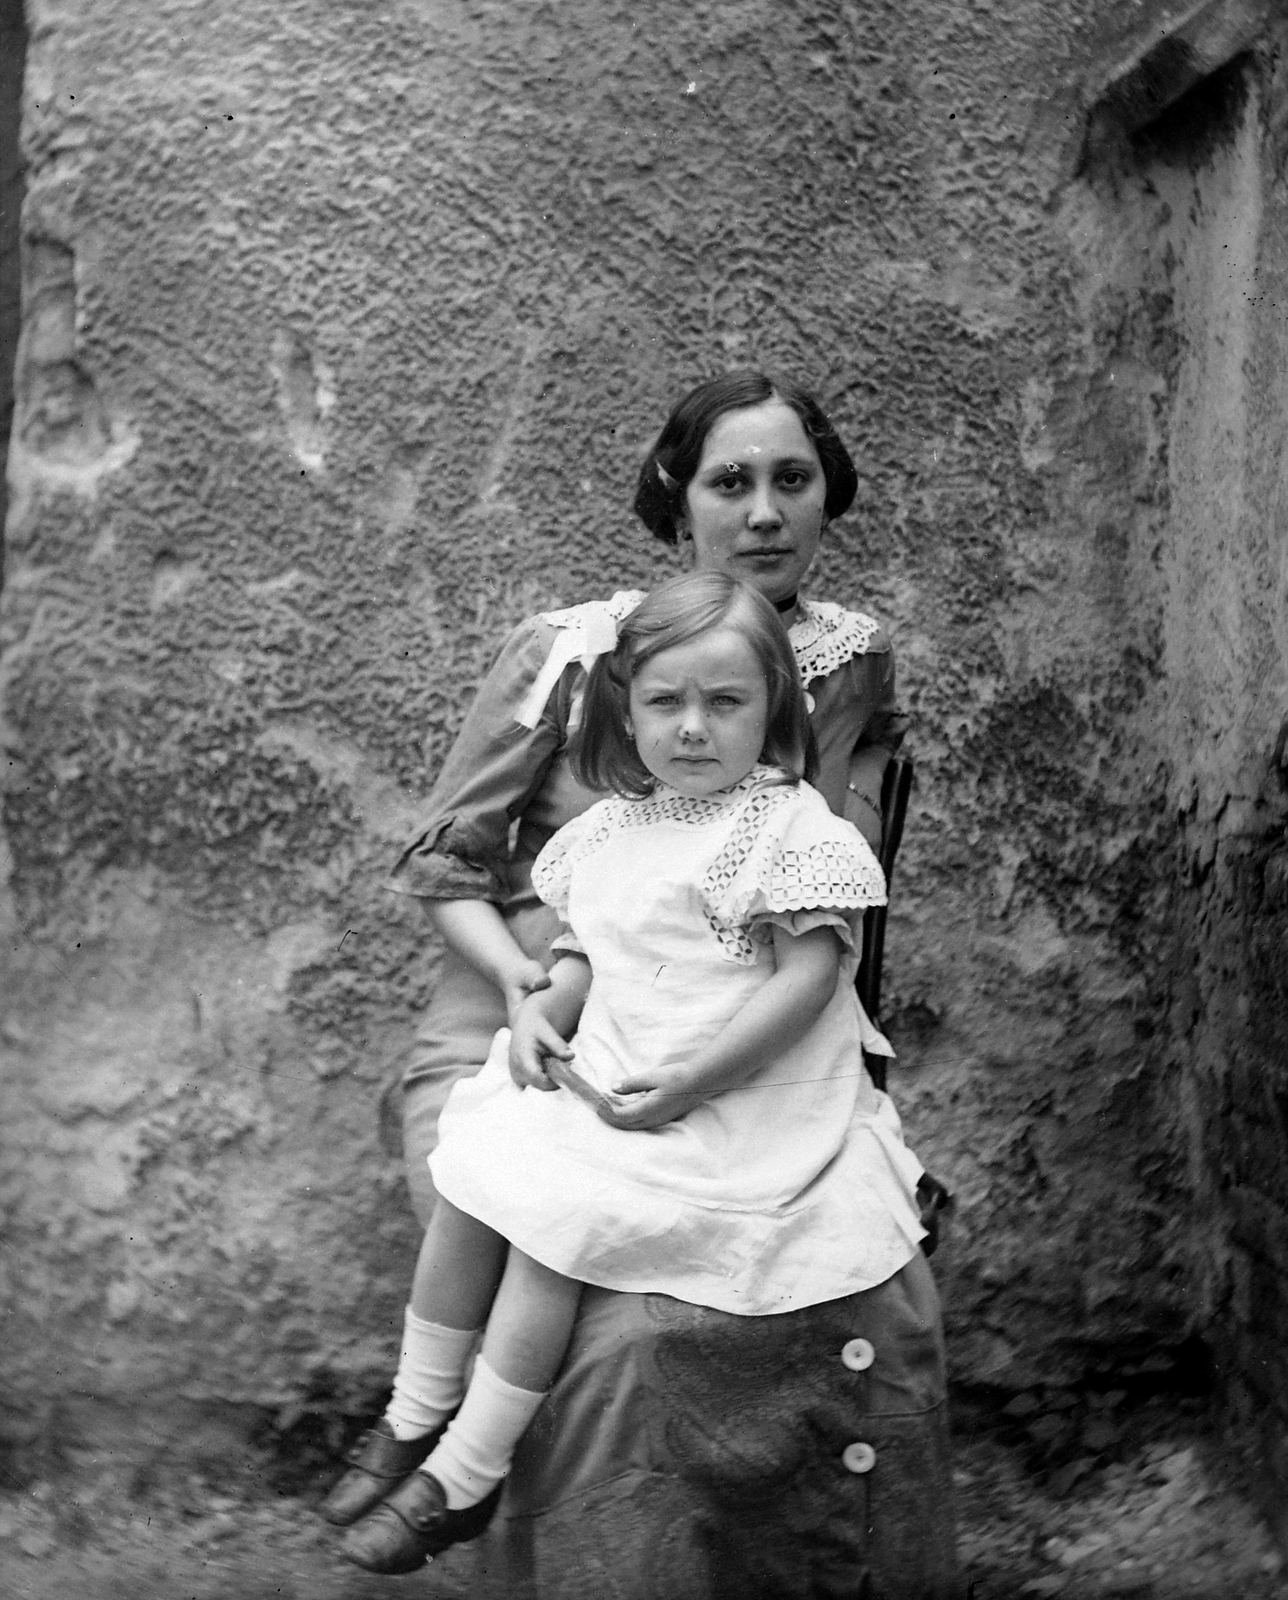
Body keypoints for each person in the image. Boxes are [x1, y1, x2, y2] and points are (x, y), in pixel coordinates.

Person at [334, 372, 960, 1597]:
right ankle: (451, 1456)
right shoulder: (577, 651)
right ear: (679, 498)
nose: (766, 510)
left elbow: (815, 897)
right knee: (539, 1229)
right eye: (732, 481)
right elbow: (451, 865)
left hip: (728, 1019)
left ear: (830, 497)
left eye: (793, 479)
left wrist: (796, 1066)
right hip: (524, 1009)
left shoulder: (844, 664)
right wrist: (533, 985)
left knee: (771, 1280)